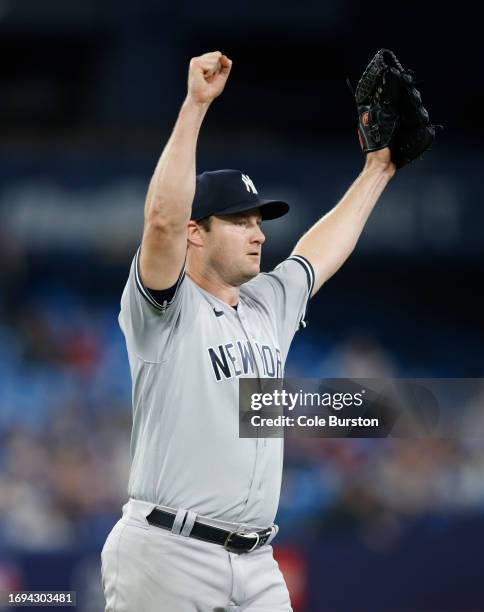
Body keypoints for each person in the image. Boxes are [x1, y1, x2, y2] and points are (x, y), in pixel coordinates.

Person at [101, 50, 396, 612]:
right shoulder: (164, 309)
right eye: (239, 221)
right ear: (196, 232)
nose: (257, 234)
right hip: (167, 554)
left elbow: (319, 250)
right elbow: (160, 220)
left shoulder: (266, 306)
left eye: (259, 221)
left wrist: (377, 170)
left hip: (258, 563)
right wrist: (195, 106)